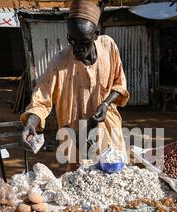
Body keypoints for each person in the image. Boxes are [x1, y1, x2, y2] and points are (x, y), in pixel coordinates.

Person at [20, 0, 129, 169]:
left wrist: (106, 104)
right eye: (73, 42)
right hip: (76, 136)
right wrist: (30, 123)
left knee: (115, 176)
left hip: (108, 129)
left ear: (96, 34)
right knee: (81, 181)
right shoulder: (59, 62)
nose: (78, 49)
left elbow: (119, 83)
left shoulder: (108, 46)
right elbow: (41, 100)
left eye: (84, 43)